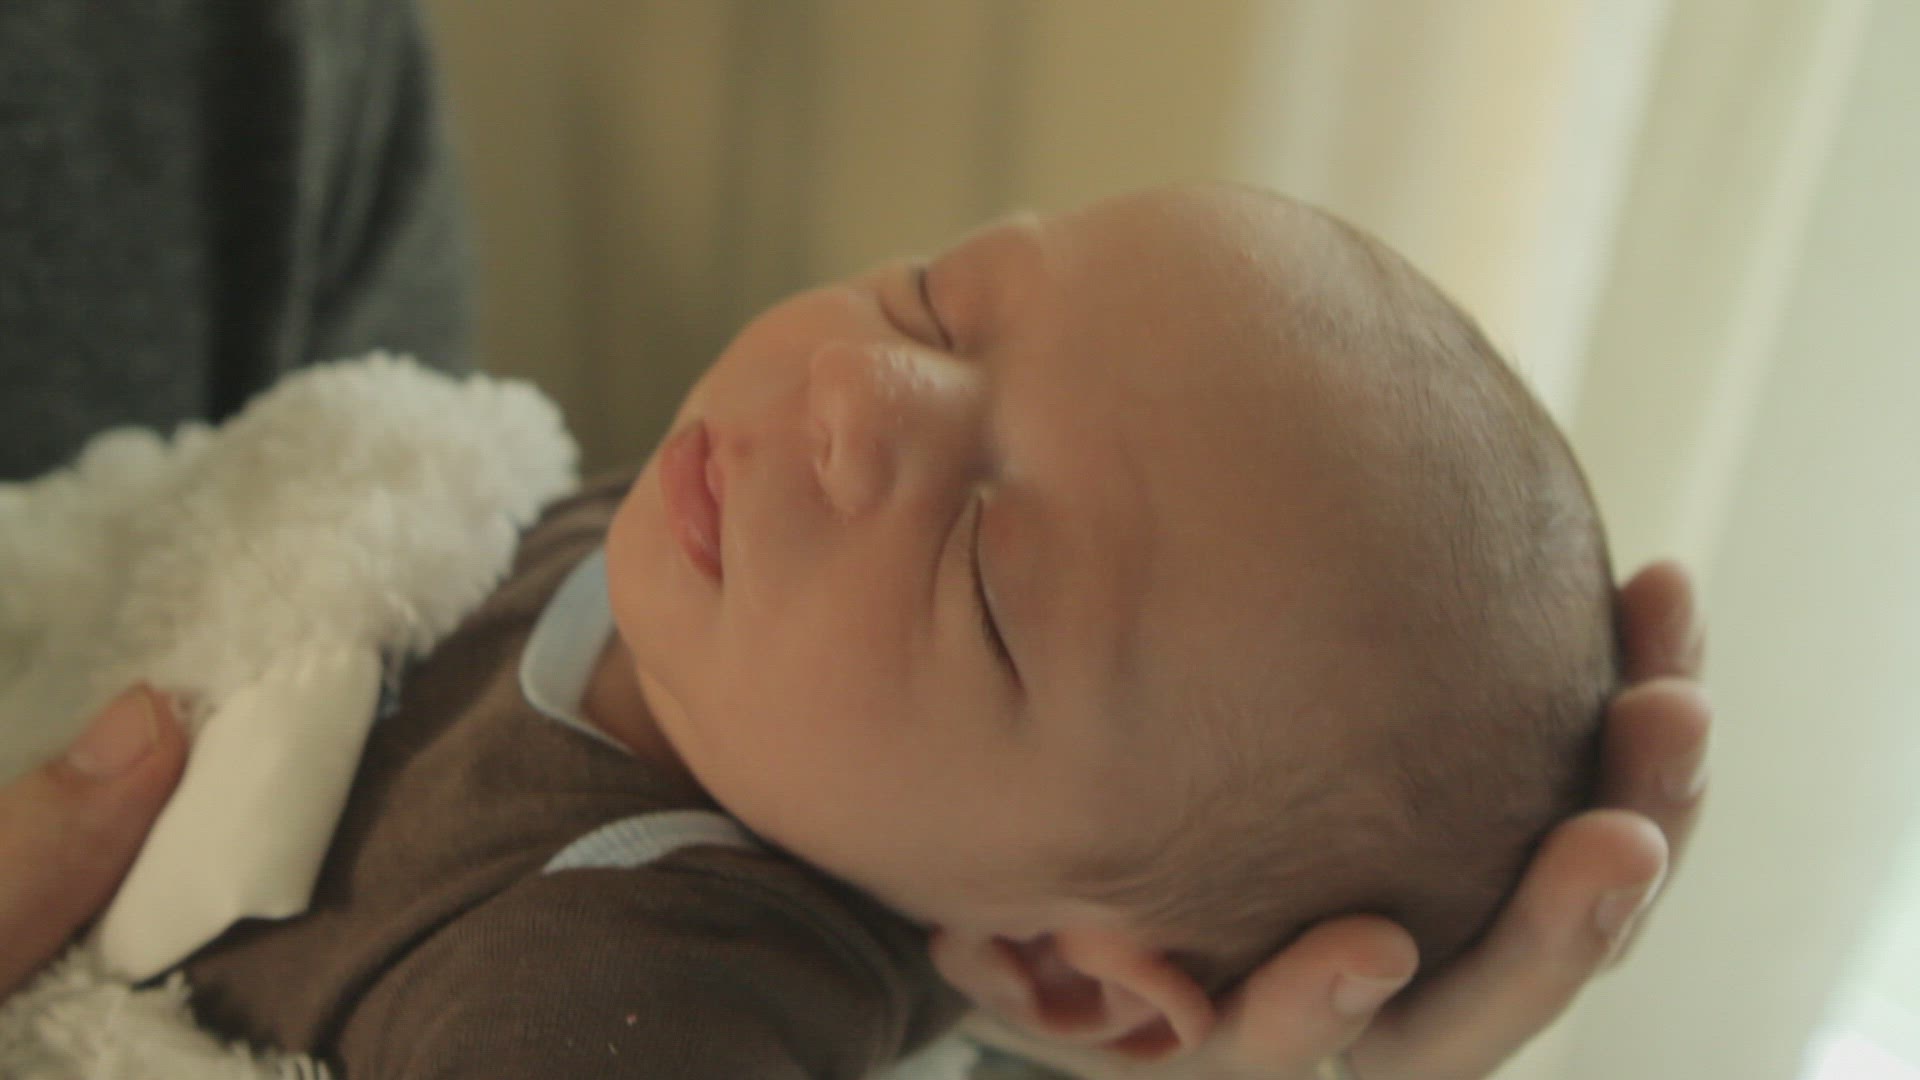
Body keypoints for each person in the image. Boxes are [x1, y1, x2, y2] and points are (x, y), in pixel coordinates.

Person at [3, 184, 1711, 1080]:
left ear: (1059, 976)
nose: (854, 387)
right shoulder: (708, 582)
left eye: (986, 575)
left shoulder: (648, 993)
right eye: (940, 301)